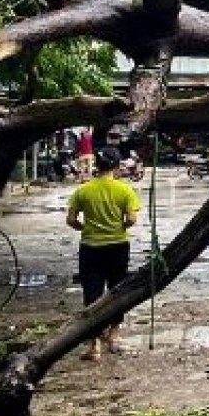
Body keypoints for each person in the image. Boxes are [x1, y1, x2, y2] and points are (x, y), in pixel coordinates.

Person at [66, 147, 141, 360]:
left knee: (92, 294)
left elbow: (71, 221)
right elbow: (132, 220)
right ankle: (114, 335)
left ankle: (94, 346)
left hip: (90, 247)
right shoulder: (125, 191)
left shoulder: (83, 191)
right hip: (118, 246)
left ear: (97, 166)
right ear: (117, 166)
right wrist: (120, 226)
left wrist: (85, 228)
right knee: (117, 291)